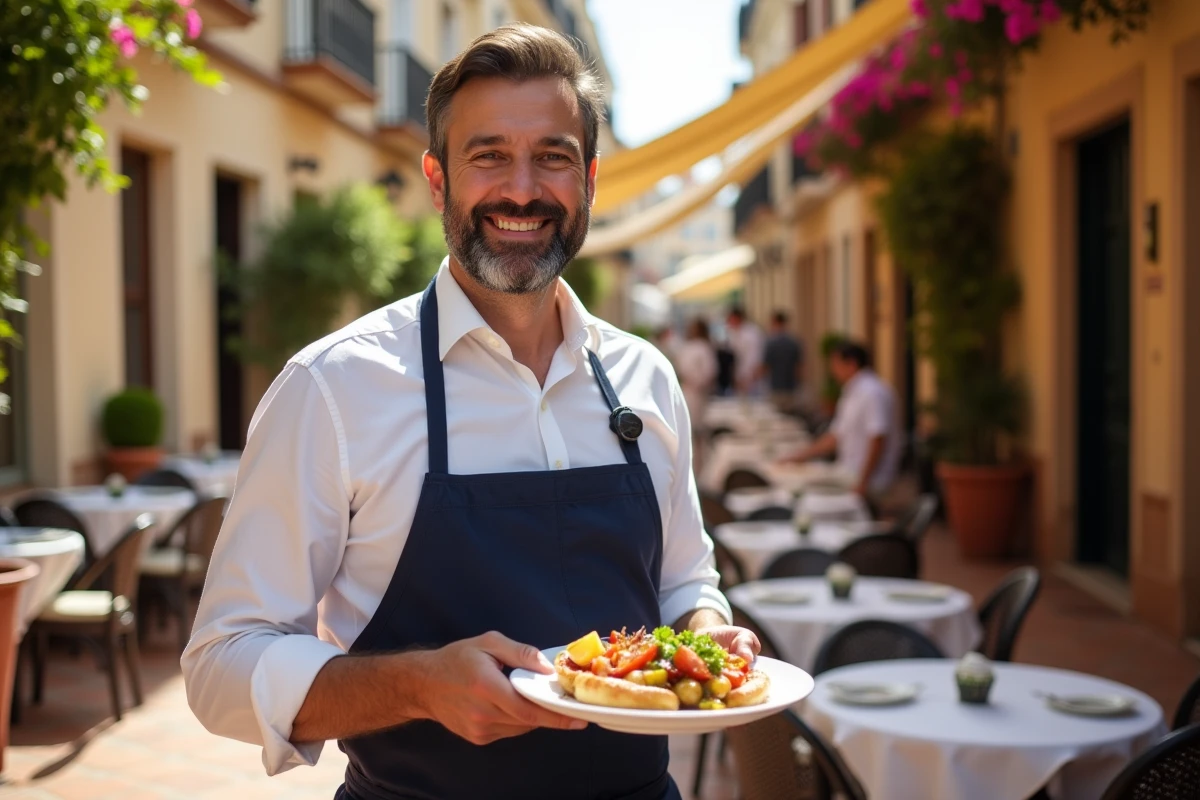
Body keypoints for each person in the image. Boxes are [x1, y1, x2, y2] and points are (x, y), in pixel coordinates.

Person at [182, 24, 758, 800]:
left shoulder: (645, 378)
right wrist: (417, 686)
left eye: (552, 156)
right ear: (437, 179)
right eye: (488, 155)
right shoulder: (334, 386)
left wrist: (703, 637)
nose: (522, 189)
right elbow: (221, 668)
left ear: (587, 179)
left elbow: (686, 582)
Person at [780, 341, 902, 503]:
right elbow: (836, 436)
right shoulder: (852, 391)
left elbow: (878, 438)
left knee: (801, 490)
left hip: (864, 478)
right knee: (798, 479)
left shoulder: (872, 393)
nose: (833, 371)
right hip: (848, 471)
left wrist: (863, 483)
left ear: (851, 364)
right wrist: (798, 457)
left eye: (836, 364)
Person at [675, 318, 718, 434]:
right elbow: (710, 371)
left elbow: (709, 371)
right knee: (695, 425)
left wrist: (696, 383)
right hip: (693, 390)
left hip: (694, 390)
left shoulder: (694, 347)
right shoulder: (699, 347)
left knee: (693, 426)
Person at [760, 310, 803, 413]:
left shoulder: (771, 343)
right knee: (789, 416)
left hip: (776, 386)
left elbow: (765, 366)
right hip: (790, 386)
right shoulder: (794, 342)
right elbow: (799, 367)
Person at [725, 306, 764, 396]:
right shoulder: (734, 333)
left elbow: (753, 357)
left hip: (751, 377)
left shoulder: (751, 333)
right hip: (740, 377)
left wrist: (747, 376)